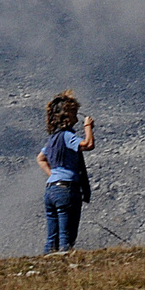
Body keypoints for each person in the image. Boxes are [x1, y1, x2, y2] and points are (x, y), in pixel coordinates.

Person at [36, 90, 94, 254]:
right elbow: (87, 145)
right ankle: (65, 260)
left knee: (51, 235)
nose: (77, 117)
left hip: (51, 189)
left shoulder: (53, 139)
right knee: (66, 236)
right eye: (74, 113)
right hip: (67, 189)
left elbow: (40, 158)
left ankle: (48, 260)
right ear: (67, 116)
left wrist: (53, 175)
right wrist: (88, 126)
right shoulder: (67, 136)